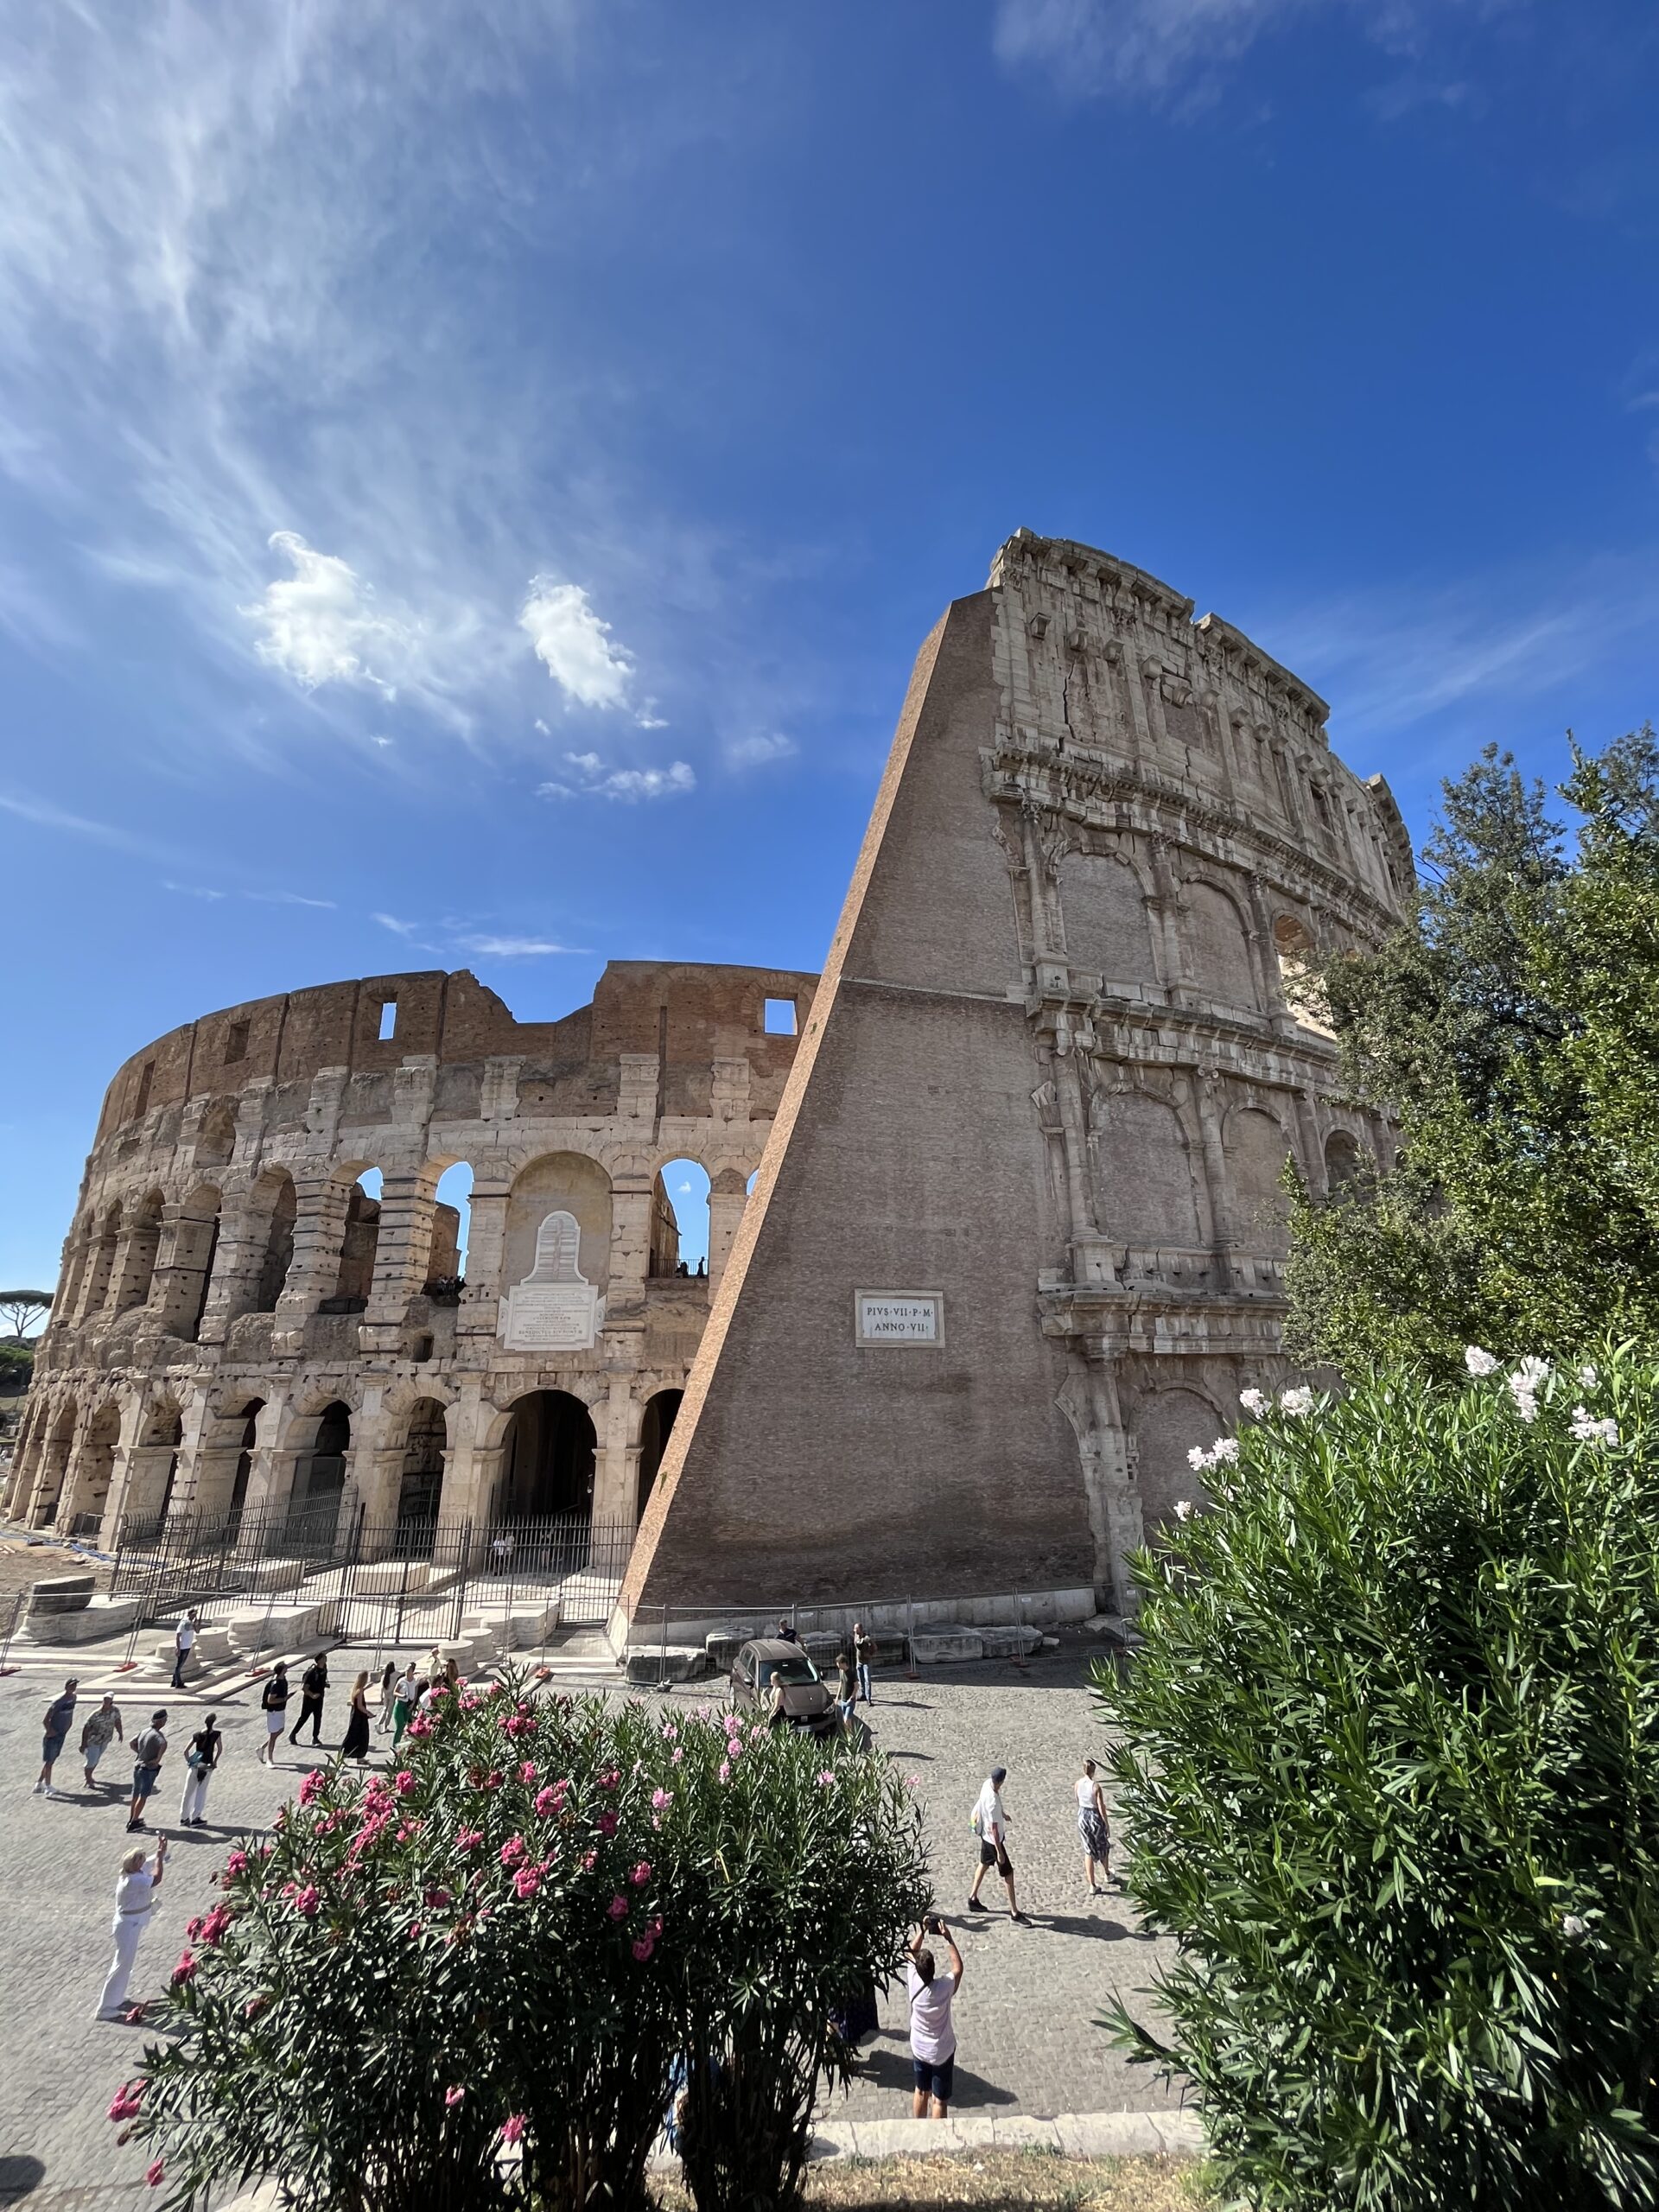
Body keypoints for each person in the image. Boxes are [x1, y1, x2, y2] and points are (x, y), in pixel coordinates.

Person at [95, 1835, 167, 2022]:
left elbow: (150, 1862)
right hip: (128, 1926)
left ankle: (116, 1998)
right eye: (139, 1860)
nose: (143, 1862)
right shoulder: (134, 1881)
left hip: (131, 1923)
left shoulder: (132, 1873)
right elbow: (157, 1878)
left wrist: (160, 1852)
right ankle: (105, 2008)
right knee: (121, 1964)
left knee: (126, 1964)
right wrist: (160, 1857)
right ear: (134, 1865)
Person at [906, 1917, 963, 2120]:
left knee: (921, 2091)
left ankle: (920, 2130)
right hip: (942, 2050)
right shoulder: (944, 1987)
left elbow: (909, 1953)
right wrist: (948, 1939)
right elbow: (958, 1968)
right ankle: (939, 2138)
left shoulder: (913, 1981)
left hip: (920, 2047)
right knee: (939, 2100)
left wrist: (922, 1930)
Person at [967, 1765, 1029, 1923]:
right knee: (1008, 1874)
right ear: (1001, 1781)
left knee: (984, 1864)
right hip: (993, 1841)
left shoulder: (987, 1784)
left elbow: (989, 1809)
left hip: (984, 1836)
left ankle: (973, 1898)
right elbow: (994, 1829)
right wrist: (999, 1851)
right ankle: (1014, 1912)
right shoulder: (993, 1801)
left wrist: (1003, 1815)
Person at [35, 1678, 79, 1797]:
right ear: (66, 1687)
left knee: (52, 1760)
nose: (73, 1687)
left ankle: (39, 1783)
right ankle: (48, 1786)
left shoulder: (74, 1698)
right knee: (49, 1761)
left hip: (62, 1733)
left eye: (75, 1685)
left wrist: (69, 1724)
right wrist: (50, 1731)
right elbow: (46, 1720)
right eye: (71, 1685)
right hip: (54, 1734)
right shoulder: (58, 1702)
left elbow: (71, 1713)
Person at [127, 1710, 168, 1833]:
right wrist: (157, 1759)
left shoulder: (144, 1731)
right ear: (160, 1721)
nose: (165, 1722)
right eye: (165, 1720)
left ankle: (132, 1818)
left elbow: (132, 1742)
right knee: (143, 1796)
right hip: (147, 1769)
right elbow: (164, 1744)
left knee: (135, 1794)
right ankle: (134, 1822)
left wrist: (139, 1753)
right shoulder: (157, 1735)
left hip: (138, 1765)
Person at [179, 1713, 222, 1826]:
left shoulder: (197, 1735)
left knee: (188, 1792)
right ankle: (195, 1817)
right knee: (201, 1791)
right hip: (207, 1766)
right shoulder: (216, 1734)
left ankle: (184, 1818)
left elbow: (186, 1751)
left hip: (195, 1765)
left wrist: (189, 1762)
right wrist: (215, 1761)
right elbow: (219, 1749)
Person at [1076, 1758, 1111, 1894]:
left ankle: (1092, 1884)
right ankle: (1107, 1873)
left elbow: (1077, 1800)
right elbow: (1101, 1806)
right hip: (1094, 1817)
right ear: (1093, 1771)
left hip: (1082, 1815)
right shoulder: (1096, 1787)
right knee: (1103, 1846)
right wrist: (1106, 1823)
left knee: (1088, 1850)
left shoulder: (1078, 1784)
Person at [80, 1694, 124, 1789]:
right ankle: (88, 1780)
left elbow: (117, 1721)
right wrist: (83, 1744)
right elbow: (86, 1728)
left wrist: (120, 1733)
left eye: (109, 1702)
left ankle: (90, 1776)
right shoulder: (96, 1714)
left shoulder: (115, 1711)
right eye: (105, 1702)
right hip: (93, 1741)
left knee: (96, 1759)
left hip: (105, 1739)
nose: (106, 1704)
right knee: (92, 1760)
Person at [289, 1652, 329, 1746]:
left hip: (319, 1698)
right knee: (304, 1718)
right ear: (319, 1660)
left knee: (318, 1718)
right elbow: (305, 1688)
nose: (325, 1658)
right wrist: (312, 1695)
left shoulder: (324, 1669)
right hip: (309, 1699)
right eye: (324, 1657)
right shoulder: (312, 1672)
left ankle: (315, 1738)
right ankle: (293, 1734)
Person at [258, 1663, 290, 1764]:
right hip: (274, 1712)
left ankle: (262, 1747)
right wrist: (284, 1699)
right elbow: (270, 1700)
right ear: (282, 1670)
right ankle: (270, 1759)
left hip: (280, 1710)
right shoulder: (276, 1684)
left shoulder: (283, 1681)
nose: (287, 1668)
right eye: (285, 1667)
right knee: (273, 1735)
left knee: (280, 1730)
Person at [341, 1671, 372, 1763]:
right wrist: (368, 1713)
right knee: (361, 1736)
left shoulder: (356, 1689)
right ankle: (353, 1755)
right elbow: (360, 1706)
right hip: (360, 1717)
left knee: (354, 1735)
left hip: (355, 1716)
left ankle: (359, 1757)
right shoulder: (360, 1691)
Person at [171, 1609, 200, 1689]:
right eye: (193, 1614)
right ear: (189, 1614)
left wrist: (196, 1624)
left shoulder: (191, 1623)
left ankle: (174, 1681)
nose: (195, 1616)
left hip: (187, 1646)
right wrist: (178, 1648)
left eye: (196, 1615)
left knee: (180, 1664)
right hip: (183, 1646)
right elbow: (178, 1635)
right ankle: (178, 1683)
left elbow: (197, 1631)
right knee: (179, 1665)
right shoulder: (184, 1622)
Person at [391, 1662, 417, 1746]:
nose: (407, 1672)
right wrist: (401, 1695)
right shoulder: (401, 1681)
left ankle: (409, 1745)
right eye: (406, 1670)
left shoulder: (415, 1681)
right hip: (400, 1704)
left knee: (410, 1726)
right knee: (400, 1726)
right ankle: (395, 1746)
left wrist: (412, 1705)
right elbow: (395, 1692)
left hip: (409, 1705)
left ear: (412, 1671)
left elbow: (415, 1694)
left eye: (409, 1670)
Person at [834, 1649, 857, 1735]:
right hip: (843, 1700)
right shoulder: (841, 1671)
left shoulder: (851, 1673)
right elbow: (841, 1683)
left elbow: (856, 1686)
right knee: (846, 1720)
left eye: (839, 1664)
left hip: (850, 1700)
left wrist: (852, 1696)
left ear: (843, 1663)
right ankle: (849, 1735)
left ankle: (850, 1736)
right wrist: (837, 1697)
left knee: (847, 1719)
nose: (838, 1666)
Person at [853, 1622, 875, 1706]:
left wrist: (870, 1655)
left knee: (867, 1680)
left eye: (856, 1629)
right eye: (854, 1629)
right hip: (859, 1662)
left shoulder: (867, 1638)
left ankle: (868, 1698)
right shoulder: (856, 1636)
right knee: (861, 1679)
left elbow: (875, 1647)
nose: (854, 1630)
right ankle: (863, 1695)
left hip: (866, 1663)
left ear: (860, 1629)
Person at [377, 1659, 399, 1733]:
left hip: (385, 1695)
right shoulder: (395, 1675)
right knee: (389, 1712)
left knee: (384, 1709)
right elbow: (402, 1673)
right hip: (392, 1695)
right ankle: (385, 1727)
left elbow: (381, 1688)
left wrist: (381, 1697)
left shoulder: (384, 1676)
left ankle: (379, 1723)